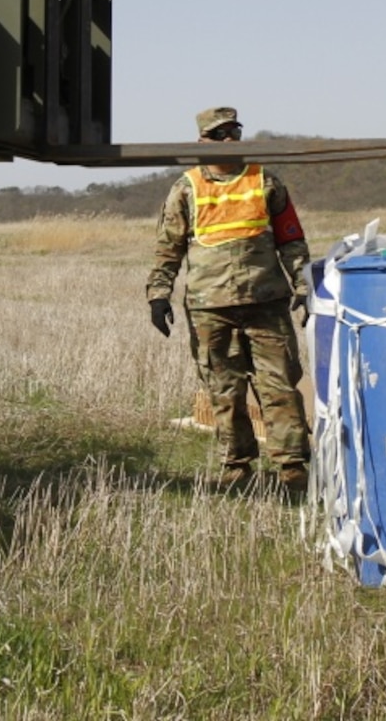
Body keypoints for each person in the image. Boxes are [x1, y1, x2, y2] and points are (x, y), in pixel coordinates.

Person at [146, 106, 313, 493]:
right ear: (201, 142)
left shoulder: (265, 181)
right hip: (210, 308)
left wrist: (304, 285)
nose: (227, 140)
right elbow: (167, 248)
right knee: (224, 391)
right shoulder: (186, 187)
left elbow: (291, 239)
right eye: (218, 134)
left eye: (233, 132)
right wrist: (159, 295)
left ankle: (293, 471)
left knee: (281, 388)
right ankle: (236, 468)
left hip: (266, 302)